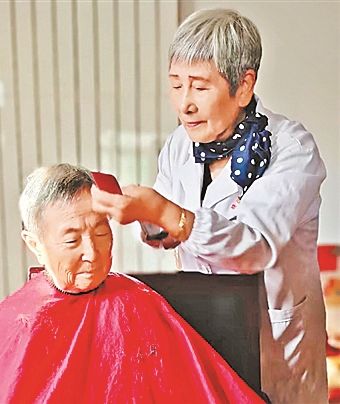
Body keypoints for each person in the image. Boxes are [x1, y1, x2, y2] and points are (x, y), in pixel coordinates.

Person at [91, 8, 328, 404]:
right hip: (206, 328)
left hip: (277, 345)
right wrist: (145, 214)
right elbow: (166, 227)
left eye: (199, 87)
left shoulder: (292, 150)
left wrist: (164, 212)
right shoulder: (180, 144)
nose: (184, 104)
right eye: (175, 85)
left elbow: (255, 247)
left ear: (244, 86)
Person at [0, 164, 266, 404]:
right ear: (35, 245)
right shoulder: (16, 321)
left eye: (100, 233)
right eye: (71, 240)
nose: (92, 253)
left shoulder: (138, 302)